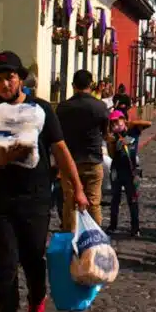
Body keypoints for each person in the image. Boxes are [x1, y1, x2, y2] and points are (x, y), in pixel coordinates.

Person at [0, 50, 88, 312]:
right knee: (5, 262)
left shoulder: (41, 109)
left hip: (34, 198)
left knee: (32, 258)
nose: (4, 83)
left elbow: (61, 151)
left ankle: (36, 301)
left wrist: (78, 189)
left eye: (9, 77)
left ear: (20, 78)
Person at [56, 69, 109, 230]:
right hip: (93, 159)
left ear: (73, 85)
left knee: (70, 202)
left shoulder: (63, 107)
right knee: (94, 202)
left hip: (69, 161)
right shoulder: (100, 106)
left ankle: (70, 238)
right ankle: (95, 238)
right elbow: (105, 133)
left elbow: (57, 135)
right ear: (91, 85)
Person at [106, 109, 152, 237]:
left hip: (130, 170)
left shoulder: (133, 131)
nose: (115, 124)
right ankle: (113, 225)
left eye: (117, 121)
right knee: (115, 199)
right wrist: (111, 143)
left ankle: (135, 227)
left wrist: (131, 123)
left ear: (123, 120)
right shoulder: (113, 136)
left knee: (132, 199)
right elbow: (111, 155)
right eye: (113, 122)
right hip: (117, 169)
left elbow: (148, 124)